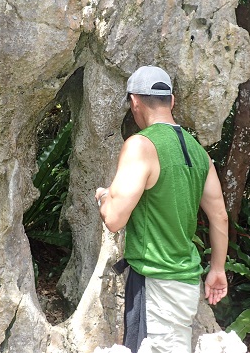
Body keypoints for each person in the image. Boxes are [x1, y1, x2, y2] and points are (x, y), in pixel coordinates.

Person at [95, 65, 229, 353]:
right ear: (172, 101)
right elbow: (219, 215)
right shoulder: (198, 151)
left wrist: (104, 198)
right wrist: (217, 268)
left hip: (155, 283)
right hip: (186, 283)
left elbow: (114, 219)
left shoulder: (141, 146)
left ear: (134, 102)